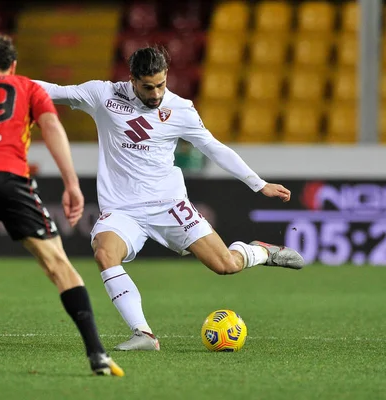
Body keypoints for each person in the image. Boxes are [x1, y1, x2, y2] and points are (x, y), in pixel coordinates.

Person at [31, 46, 305, 351]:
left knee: (225, 265)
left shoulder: (181, 109)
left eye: (161, 84)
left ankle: (261, 252)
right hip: (123, 210)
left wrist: (259, 184)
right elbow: (52, 90)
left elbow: (214, 148)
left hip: (170, 205)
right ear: (132, 80)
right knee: (105, 254)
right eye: (148, 87)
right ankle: (143, 334)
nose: (156, 93)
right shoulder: (103, 96)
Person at [0, 34, 124, 376]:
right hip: (8, 178)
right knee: (57, 264)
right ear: (13, 67)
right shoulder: (28, 88)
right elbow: (52, 127)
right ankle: (97, 354)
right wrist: (71, 183)